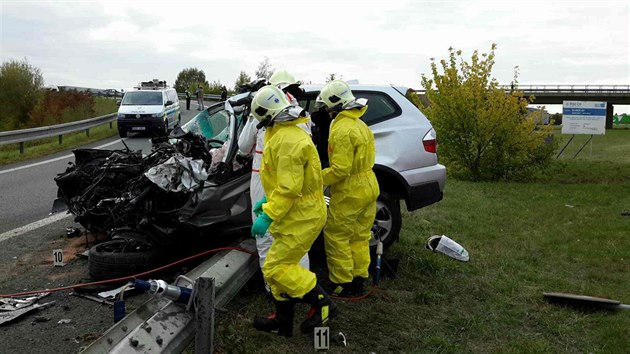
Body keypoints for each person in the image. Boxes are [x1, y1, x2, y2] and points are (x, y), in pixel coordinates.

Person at [249, 85, 336, 337]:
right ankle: (283, 322)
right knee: (277, 267)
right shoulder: (285, 134)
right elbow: (282, 182)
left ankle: (323, 304)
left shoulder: (286, 140)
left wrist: (267, 215)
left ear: (267, 116)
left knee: (277, 268)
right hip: (297, 212)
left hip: (302, 215)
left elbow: (289, 188)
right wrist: (265, 203)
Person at [238, 72, 311, 277]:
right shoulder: (302, 114)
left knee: (266, 235)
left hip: (265, 177)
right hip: (295, 180)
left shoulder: (265, 109)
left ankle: (274, 287)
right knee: (294, 236)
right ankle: (301, 284)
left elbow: (243, 146)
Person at [317, 80, 379, 297]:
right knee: (360, 235)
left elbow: (340, 170)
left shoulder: (342, 129)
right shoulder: (360, 123)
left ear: (334, 105)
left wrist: (317, 178)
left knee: (337, 235)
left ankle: (341, 280)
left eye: (325, 106)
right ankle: (359, 277)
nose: (325, 111)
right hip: (370, 184)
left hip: (351, 190)